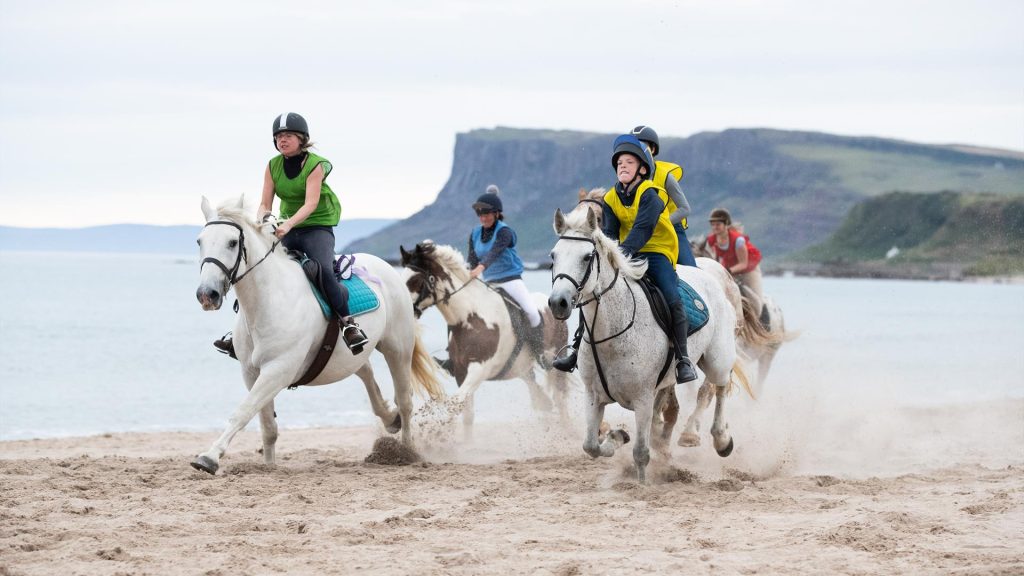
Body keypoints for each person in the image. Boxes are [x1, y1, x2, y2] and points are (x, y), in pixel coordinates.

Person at [214, 112, 368, 357]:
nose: (282, 140)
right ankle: (239, 333)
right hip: (284, 225)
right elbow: (265, 202)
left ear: (301, 138)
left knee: (323, 269)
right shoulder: (272, 165)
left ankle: (348, 323)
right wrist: (264, 219)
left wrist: (288, 225)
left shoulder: (316, 165)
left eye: (287, 136)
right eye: (278, 136)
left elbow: (310, 204)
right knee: (254, 268)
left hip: (316, 225)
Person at [552, 135, 697, 384]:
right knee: (592, 293)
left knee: (671, 297)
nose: (622, 166)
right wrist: (606, 254)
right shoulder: (610, 198)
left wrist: (618, 255)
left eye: (629, 162)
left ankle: (683, 359)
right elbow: (609, 234)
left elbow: (642, 229)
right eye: (619, 162)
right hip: (625, 251)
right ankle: (576, 349)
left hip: (657, 250)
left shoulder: (652, 194)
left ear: (643, 168)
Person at [467, 185, 545, 358]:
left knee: (532, 313)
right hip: (489, 283)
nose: (483, 217)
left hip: (510, 280)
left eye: (486, 213)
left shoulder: (504, 231)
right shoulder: (474, 233)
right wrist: (468, 273)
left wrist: (481, 267)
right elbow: (471, 260)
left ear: (496, 213)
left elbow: (495, 251)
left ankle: (539, 353)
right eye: (480, 214)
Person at [631, 125, 697, 267]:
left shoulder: (665, 175)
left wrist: (660, 223)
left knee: (691, 269)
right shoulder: (627, 177)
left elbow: (685, 209)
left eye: (642, 145)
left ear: (653, 149)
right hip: (641, 231)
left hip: (672, 229)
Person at [706, 207, 769, 327]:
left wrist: (727, 271)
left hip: (748, 269)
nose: (714, 227)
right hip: (729, 268)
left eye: (718, 224)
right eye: (712, 224)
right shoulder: (711, 240)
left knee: (756, 301)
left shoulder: (738, 240)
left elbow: (743, 263)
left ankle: (764, 323)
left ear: (726, 225)